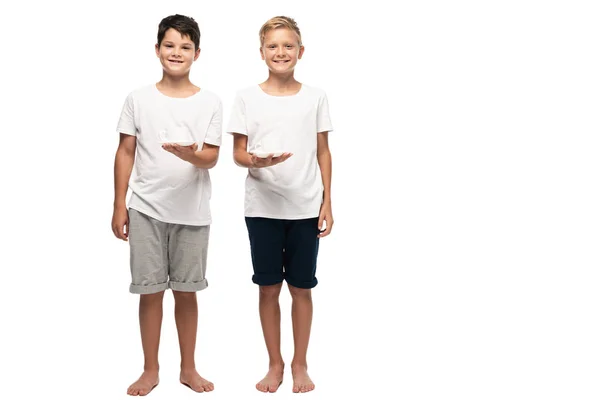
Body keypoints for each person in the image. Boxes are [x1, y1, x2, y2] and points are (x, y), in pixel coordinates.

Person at [111, 14, 221, 396]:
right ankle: (149, 369)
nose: (177, 52)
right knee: (150, 290)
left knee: (187, 292)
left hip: (192, 212)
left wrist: (191, 154)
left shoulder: (210, 102)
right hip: (144, 209)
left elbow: (211, 159)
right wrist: (118, 204)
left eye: (185, 47)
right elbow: (125, 151)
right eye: (169, 45)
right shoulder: (137, 99)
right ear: (157, 50)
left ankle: (188, 368)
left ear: (197, 53)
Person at [227, 15, 334, 394]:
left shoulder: (315, 97)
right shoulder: (245, 97)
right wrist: (255, 161)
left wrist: (327, 202)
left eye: (288, 45)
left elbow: (323, 150)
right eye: (273, 46)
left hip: (305, 208)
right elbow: (238, 152)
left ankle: (300, 363)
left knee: (302, 288)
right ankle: (275, 363)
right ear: (261, 53)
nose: (281, 52)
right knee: (268, 288)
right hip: (262, 210)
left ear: (300, 52)